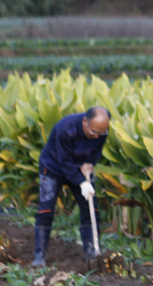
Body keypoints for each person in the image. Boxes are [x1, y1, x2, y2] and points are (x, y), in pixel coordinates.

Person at [33, 107, 111, 267]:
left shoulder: (102, 131)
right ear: (84, 121)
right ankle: (39, 257)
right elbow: (64, 163)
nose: (96, 136)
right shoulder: (65, 129)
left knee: (91, 209)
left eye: (101, 133)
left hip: (81, 168)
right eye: (93, 132)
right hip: (53, 168)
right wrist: (82, 183)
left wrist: (91, 163)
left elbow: (97, 150)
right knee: (45, 210)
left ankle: (92, 252)